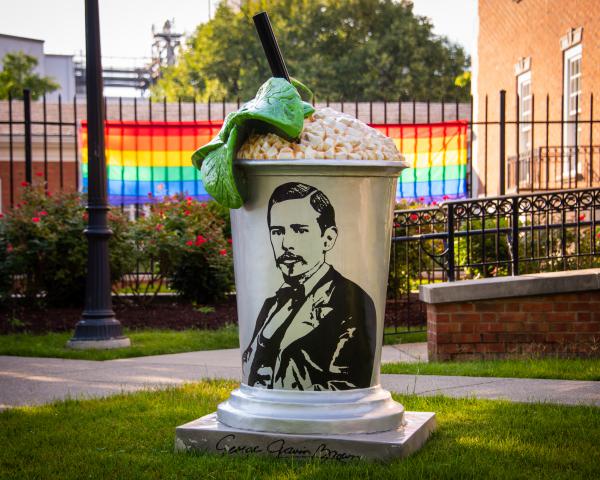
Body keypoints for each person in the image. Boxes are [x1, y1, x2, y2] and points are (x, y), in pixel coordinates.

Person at [241, 182, 377, 391]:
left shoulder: (351, 301)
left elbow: (349, 387)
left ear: (328, 238)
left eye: (299, 230)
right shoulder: (271, 305)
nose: (286, 244)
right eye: (277, 232)